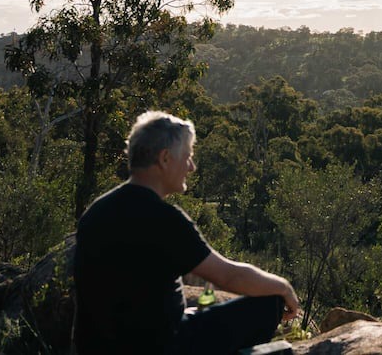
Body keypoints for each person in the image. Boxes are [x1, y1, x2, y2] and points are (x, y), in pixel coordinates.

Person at [73, 111, 300, 355]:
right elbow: (229, 276)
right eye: (188, 157)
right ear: (165, 158)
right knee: (270, 302)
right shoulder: (164, 218)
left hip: (96, 348)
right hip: (163, 348)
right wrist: (284, 287)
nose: (191, 167)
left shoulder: (96, 211)